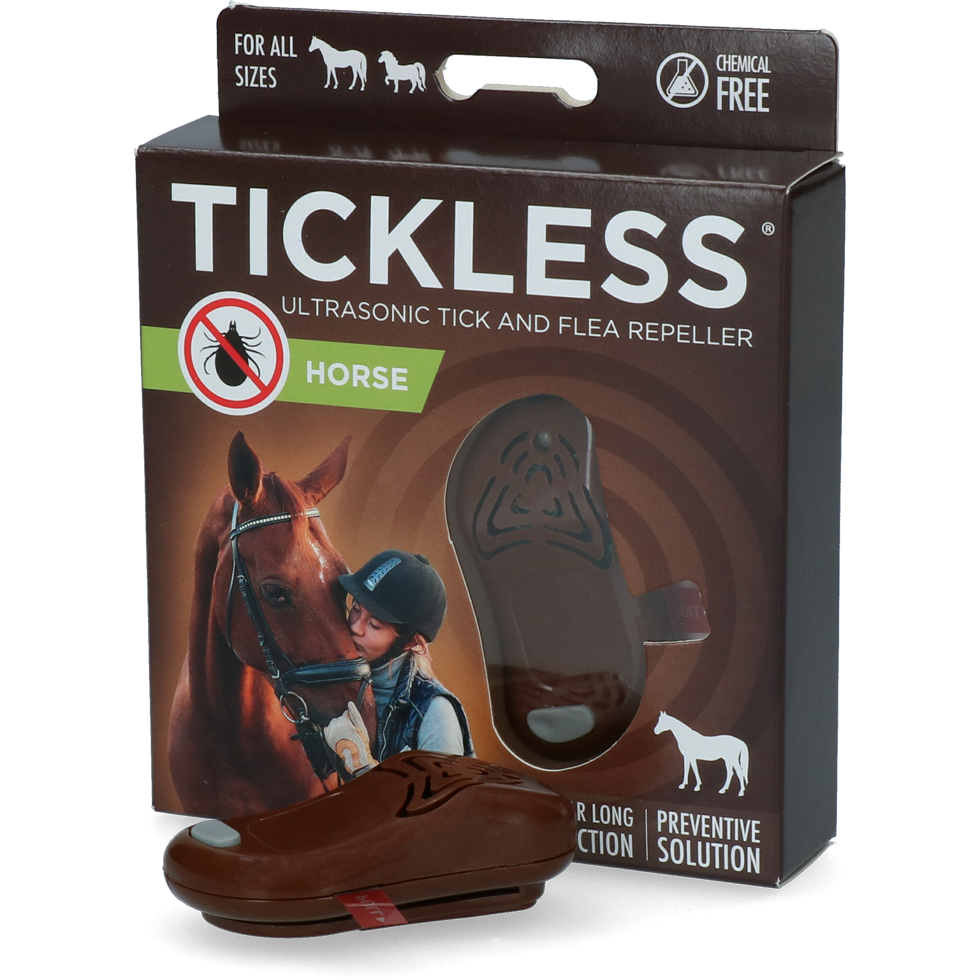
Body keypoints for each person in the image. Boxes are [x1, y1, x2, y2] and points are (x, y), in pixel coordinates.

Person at [324, 550, 474, 778]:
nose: (355, 627)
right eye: (356, 609)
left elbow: (440, 800)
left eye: (374, 625)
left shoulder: (434, 713)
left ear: (409, 642)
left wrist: (362, 767)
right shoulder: (329, 680)